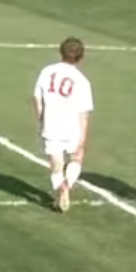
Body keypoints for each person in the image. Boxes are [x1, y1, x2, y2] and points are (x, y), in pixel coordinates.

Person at [32, 37, 94, 213]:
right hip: (72, 126)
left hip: (50, 124)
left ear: (61, 52)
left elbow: (37, 98)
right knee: (76, 158)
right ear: (81, 56)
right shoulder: (82, 81)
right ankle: (68, 184)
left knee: (56, 164)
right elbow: (84, 113)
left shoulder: (47, 72)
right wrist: (83, 138)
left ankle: (61, 188)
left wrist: (41, 119)